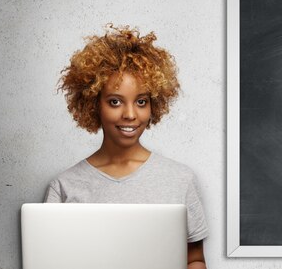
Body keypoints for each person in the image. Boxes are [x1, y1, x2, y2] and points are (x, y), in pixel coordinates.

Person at [44, 24, 208, 269]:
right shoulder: (65, 187)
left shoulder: (180, 179)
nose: (130, 114)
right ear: (93, 104)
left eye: (141, 101)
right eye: (115, 102)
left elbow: (194, 259)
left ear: (154, 105)